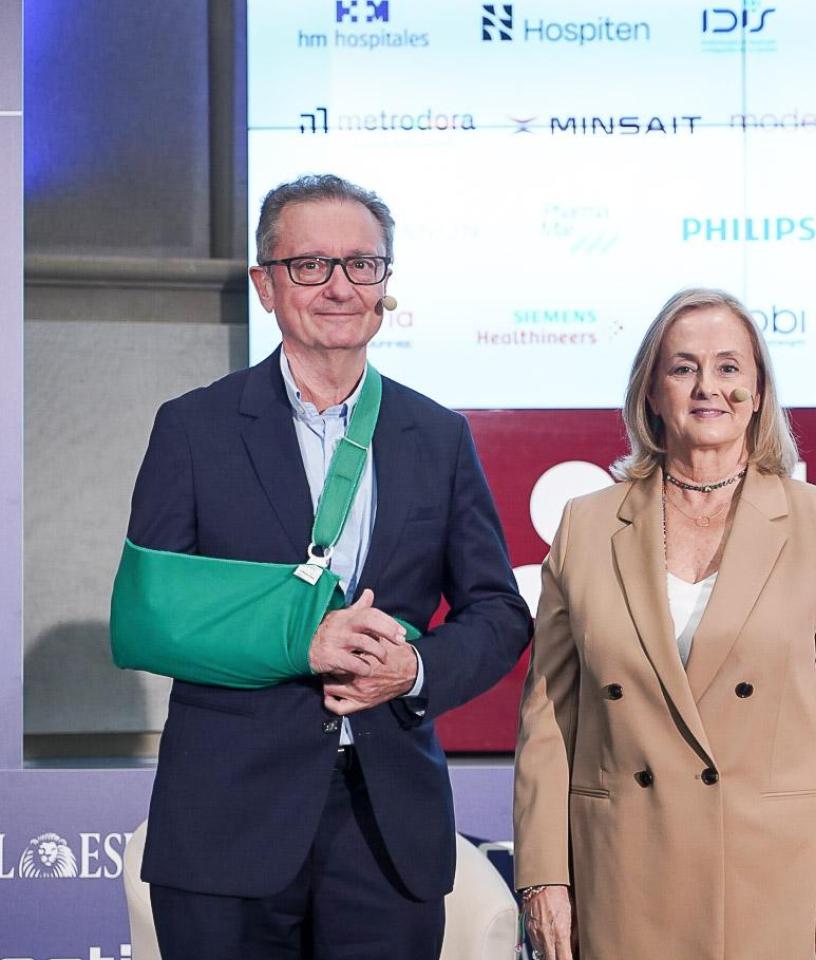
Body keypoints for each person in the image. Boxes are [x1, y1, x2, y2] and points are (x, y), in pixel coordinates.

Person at [125, 173, 533, 957]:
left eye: (362, 264)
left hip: (386, 822)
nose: (340, 287)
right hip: (227, 820)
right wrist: (296, 643)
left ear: (385, 284)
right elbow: (154, 616)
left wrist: (414, 669)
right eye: (311, 265)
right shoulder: (194, 428)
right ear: (266, 285)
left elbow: (498, 611)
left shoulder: (437, 436)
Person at [512, 288, 816, 960]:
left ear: (758, 392)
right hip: (622, 874)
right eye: (683, 368)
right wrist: (543, 878)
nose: (707, 386)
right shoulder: (587, 525)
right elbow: (548, 720)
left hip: (774, 877)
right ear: (652, 393)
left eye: (728, 367)